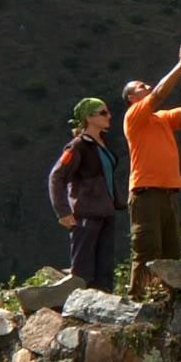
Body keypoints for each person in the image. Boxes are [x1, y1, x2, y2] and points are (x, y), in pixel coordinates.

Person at [122, 43, 181, 296]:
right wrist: (180, 64)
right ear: (133, 98)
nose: (146, 88)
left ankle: (166, 297)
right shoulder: (134, 116)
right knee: (146, 248)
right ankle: (139, 299)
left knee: (170, 251)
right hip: (145, 193)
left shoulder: (162, 119)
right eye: (140, 87)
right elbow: (159, 93)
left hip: (168, 192)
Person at [48, 97, 126, 291]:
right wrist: (63, 212)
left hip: (106, 212)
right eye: (103, 113)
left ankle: (104, 306)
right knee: (83, 267)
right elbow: (56, 176)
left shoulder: (102, 145)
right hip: (87, 213)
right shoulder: (77, 146)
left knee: (104, 266)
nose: (109, 116)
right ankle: (78, 307)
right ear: (89, 118)